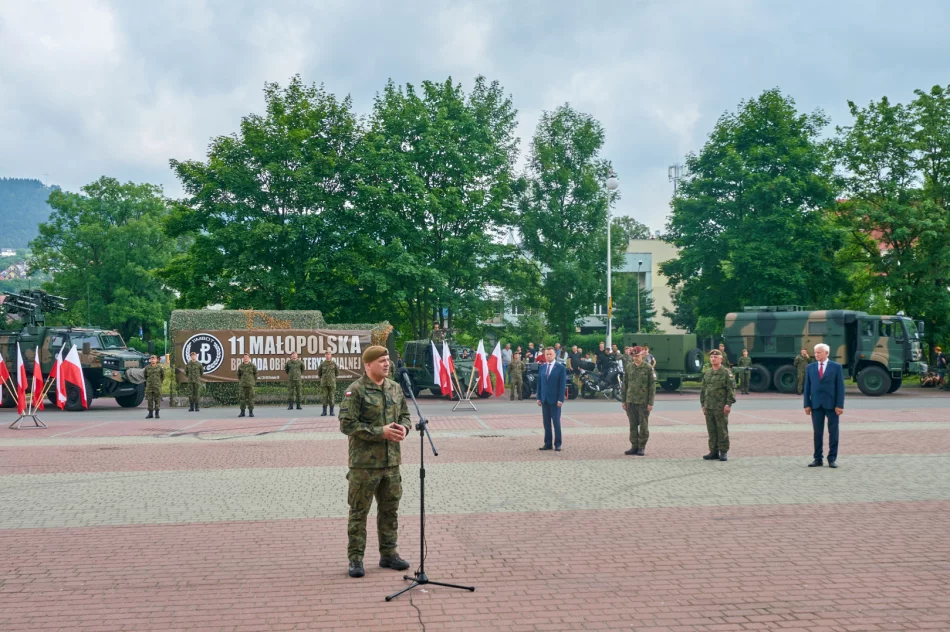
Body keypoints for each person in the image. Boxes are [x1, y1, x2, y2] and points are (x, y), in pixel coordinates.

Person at [339, 345, 412, 579]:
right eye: (381, 360)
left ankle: (389, 554)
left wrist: (405, 429)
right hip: (364, 465)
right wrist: (379, 432)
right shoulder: (356, 391)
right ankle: (356, 559)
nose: (387, 364)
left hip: (391, 463)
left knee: (390, 510)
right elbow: (347, 425)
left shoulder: (395, 388)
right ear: (368, 365)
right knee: (359, 512)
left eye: (388, 360)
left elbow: (405, 415)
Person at [804, 343, 845, 468]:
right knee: (817, 433)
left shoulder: (836, 367)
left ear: (827, 353)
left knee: (833, 432)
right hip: (816, 405)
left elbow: (840, 387)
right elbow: (807, 387)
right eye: (815, 352)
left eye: (819, 352)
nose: (816, 355)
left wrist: (839, 405)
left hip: (832, 405)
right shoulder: (810, 367)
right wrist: (807, 404)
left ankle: (832, 458)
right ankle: (818, 458)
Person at [701, 349, 735, 462]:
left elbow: (731, 390)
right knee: (711, 430)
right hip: (709, 406)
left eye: (716, 357)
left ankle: (723, 451)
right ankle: (713, 451)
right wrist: (703, 404)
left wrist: (728, 404)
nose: (713, 359)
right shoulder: (708, 372)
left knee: (722, 429)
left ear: (721, 359)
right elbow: (704, 389)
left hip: (720, 407)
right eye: (711, 357)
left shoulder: (726, 373)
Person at [622, 346, 654, 456]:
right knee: (633, 425)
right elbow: (625, 385)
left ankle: (642, 446)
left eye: (637, 356)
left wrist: (650, 402)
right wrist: (623, 400)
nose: (635, 358)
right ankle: (634, 446)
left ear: (642, 355)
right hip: (630, 401)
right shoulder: (629, 367)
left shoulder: (648, 368)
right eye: (634, 356)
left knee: (643, 426)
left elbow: (652, 387)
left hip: (643, 402)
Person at [536, 347, 567, 451]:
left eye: (550, 354)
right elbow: (539, 384)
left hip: (555, 400)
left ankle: (558, 443)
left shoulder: (560, 368)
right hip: (544, 399)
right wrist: (538, 397)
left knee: (556, 422)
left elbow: (562, 385)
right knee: (546, 423)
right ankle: (548, 443)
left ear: (554, 355)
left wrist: (560, 399)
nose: (548, 356)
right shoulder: (542, 367)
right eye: (547, 354)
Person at [318, 351, 340, 417]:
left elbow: (337, 373)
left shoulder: (334, 364)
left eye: (328, 354)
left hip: (332, 383)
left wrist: (332, 378)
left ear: (331, 356)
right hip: (324, 383)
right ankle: (324, 411)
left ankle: (331, 411)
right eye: (326, 354)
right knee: (324, 397)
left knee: (332, 397)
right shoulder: (322, 364)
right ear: (325, 356)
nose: (327, 356)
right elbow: (319, 373)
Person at [144, 354, 165, 419]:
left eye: (154, 359)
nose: (153, 360)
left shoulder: (160, 368)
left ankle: (157, 413)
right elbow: (145, 376)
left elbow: (163, 376)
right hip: (149, 386)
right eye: (152, 359)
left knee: (157, 399)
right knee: (149, 400)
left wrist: (159, 382)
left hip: (157, 386)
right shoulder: (147, 368)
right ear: (150, 360)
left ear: (156, 360)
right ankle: (150, 413)